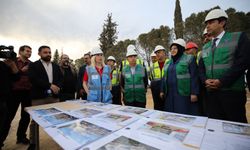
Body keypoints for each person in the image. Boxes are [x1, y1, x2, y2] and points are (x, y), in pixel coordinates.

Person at [199, 9, 250, 123]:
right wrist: (205, 81)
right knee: (215, 127)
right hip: (211, 95)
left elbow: (242, 63)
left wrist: (222, 81)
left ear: (222, 22)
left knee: (236, 129)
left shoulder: (238, 38)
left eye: (211, 22)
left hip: (232, 94)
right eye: (206, 23)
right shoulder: (205, 47)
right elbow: (201, 69)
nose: (208, 26)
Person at [27, 45, 63, 149]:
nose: (48, 54)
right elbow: (33, 79)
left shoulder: (56, 66)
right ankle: (33, 143)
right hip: (39, 98)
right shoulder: (34, 65)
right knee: (35, 122)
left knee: (57, 119)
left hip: (54, 97)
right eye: (45, 52)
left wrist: (58, 87)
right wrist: (50, 85)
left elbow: (61, 78)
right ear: (39, 53)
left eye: (49, 52)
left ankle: (60, 140)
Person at [0, 46, 32, 147]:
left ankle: (21, 137)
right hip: (13, 93)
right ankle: (1, 140)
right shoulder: (11, 61)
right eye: (27, 51)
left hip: (27, 92)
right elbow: (11, 76)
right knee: (8, 117)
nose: (29, 53)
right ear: (20, 52)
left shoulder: (32, 64)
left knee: (25, 117)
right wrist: (21, 70)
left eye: (30, 51)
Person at [160, 39, 199, 115]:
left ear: (180, 48)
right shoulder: (168, 62)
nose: (172, 50)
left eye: (175, 48)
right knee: (170, 114)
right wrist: (162, 90)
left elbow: (194, 77)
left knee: (183, 113)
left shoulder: (189, 59)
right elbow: (164, 77)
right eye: (171, 49)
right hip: (169, 94)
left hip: (183, 93)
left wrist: (194, 93)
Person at [0, 58, 19, 149]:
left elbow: (16, 78)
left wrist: (13, 66)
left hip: (6, 98)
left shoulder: (5, 64)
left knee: (6, 121)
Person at [150, 45, 169, 111]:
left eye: (159, 52)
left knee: (167, 106)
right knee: (157, 108)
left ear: (164, 52)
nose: (157, 54)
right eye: (156, 53)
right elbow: (151, 78)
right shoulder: (153, 66)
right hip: (156, 89)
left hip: (167, 88)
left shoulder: (170, 63)